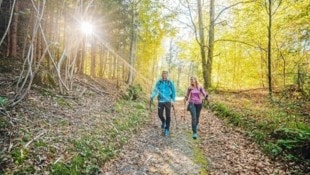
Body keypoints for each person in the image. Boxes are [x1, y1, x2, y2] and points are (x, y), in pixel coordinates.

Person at [150, 70, 176, 136]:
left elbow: (173, 91)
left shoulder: (170, 82)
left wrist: (173, 100)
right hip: (161, 101)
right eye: (163, 74)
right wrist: (152, 96)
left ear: (167, 75)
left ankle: (167, 129)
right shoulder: (159, 82)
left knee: (168, 115)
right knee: (160, 114)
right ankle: (163, 121)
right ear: (162, 75)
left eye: (165, 74)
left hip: (168, 101)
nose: (164, 75)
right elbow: (155, 90)